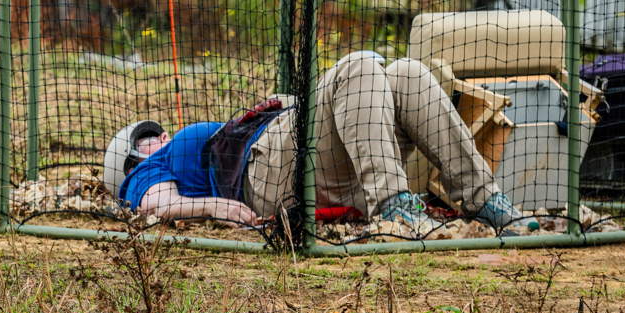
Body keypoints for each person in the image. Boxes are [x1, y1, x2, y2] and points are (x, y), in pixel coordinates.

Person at [103, 51, 538, 237]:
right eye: (145, 140)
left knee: (407, 72)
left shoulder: (177, 146)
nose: (158, 137)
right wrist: (214, 207)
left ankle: (484, 200)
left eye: (157, 132)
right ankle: (395, 211)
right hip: (269, 179)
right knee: (357, 66)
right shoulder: (146, 173)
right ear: (133, 161)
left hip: (329, 163)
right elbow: (155, 204)